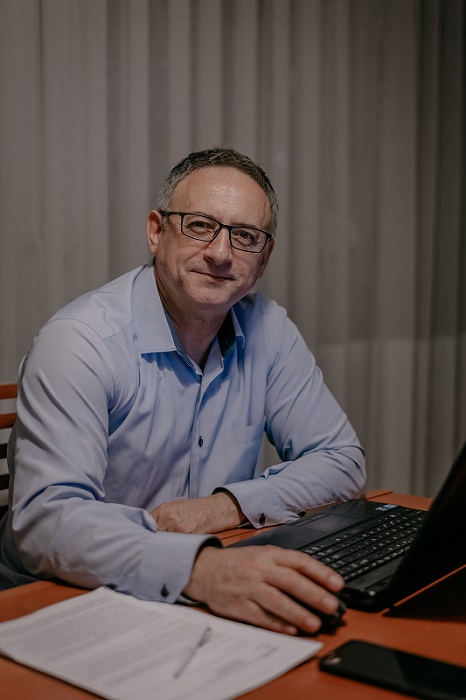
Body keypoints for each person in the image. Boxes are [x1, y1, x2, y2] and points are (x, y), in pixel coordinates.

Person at [0, 147, 365, 635]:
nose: (220, 253)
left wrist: (225, 506)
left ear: (264, 258)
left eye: (245, 236)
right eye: (199, 225)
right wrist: (200, 569)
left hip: (199, 596)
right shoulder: (80, 343)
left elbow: (342, 461)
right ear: (156, 232)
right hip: (61, 597)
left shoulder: (269, 329)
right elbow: (46, 523)